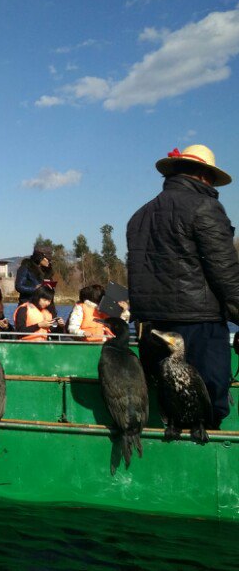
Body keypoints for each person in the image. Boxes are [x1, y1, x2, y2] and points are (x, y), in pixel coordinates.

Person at [127, 144, 239, 429]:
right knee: (207, 405)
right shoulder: (206, 207)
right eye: (212, 179)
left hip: (151, 328)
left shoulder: (139, 215)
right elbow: (226, 274)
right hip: (198, 325)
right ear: (204, 176)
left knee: (168, 403)